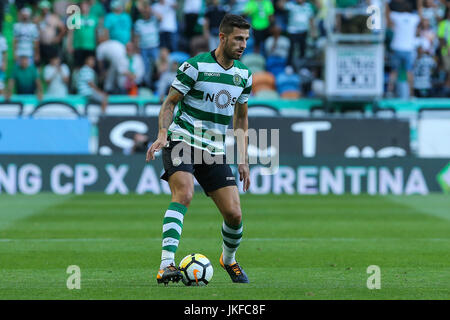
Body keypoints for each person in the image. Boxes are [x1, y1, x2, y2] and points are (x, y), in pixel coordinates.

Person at [146, 14, 253, 285]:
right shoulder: (194, 67)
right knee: (184, 193)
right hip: (182, 138)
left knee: (235, 214)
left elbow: (240, 118)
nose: (243, 44)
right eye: (238, 38)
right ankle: (166, 264)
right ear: (222, 37)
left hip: (213, 148)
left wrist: (243, 158)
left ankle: (228, 260)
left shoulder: (244, 75)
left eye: (246, 39)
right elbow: (170, 103)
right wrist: (161, 135)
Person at [386, 1, 421, 96]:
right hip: (409, 49)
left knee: (394, 71)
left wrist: (385, 3)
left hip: (397, 48)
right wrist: (419, 3)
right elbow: (420, 13)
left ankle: (389, 91)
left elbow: (388, 14)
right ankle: (411, 94)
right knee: (409, 72)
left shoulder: (396, 16)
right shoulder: (414, 18)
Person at [134, 2, 161, 88]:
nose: (145, 13)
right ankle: (147, 85)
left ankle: (158, 83)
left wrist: (150, 10)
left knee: (158, 66)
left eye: (147, 11)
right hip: (143, 48)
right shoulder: (138, 22)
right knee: (145, 68)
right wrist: (137, 49)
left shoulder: (154, 20)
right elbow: (136, 37)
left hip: (154, 47)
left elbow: (161, 18)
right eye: (144, 12)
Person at [36, 0, 65, 66]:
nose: (44, 10)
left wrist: (58, 37)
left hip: (51, 45)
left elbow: (63, 29)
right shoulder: (37, 19)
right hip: (41, 45)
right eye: (43, 8)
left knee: (52, 63)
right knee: (39, 63)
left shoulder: (53, 18)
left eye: (46, 8)